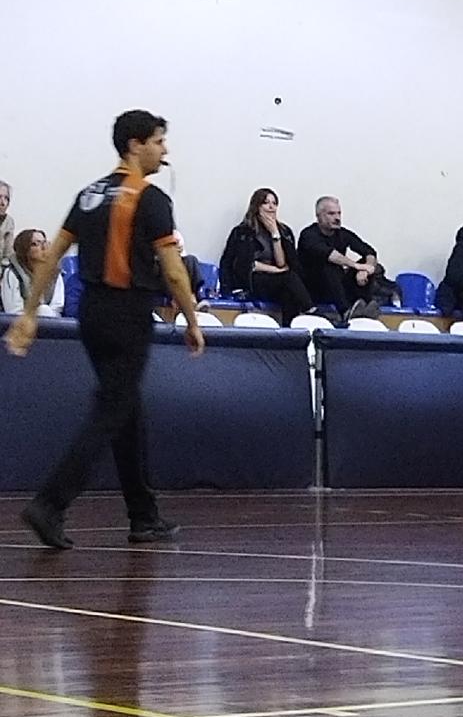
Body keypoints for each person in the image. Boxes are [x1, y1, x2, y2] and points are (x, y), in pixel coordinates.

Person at [5, 109, 203, 549]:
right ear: (135, 145)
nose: (165, 150)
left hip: (92, 313)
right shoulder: (150, 199)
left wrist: (30, 313)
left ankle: (143, 516)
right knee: (111, 411)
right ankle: (50, 504)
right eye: (158, 141)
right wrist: (191, 320)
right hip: (128, 312)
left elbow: (52, 255)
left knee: (126, 408)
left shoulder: (90, 194)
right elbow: (174, 270)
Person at [219, 187, 317, 321]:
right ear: (257, 207)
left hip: (277, 280)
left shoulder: (284, 232)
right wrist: (277, 270)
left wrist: (275, 234)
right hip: (253, 281)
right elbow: (248, 265)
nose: (271, 207)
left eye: (274, 203)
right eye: (266, 203)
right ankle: (311, 311)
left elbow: (282, 263)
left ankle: (290, 328)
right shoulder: (243, 232)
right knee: (289, 279)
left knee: (288, 294)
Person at [298, 195, 394, 321]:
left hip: (337, 286)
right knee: (331, 266)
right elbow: (330, 255)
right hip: (313, 288)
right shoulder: (308, 235)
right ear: (319, 216)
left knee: (372, 266)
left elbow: (369, 251)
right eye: (331, 214)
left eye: (339, 213)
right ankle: (345, 311)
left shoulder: (342, 233)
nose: (337, 218)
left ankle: (363, 306)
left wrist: (365, 270)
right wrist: (357, 266)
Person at [2, 229, 66, 314]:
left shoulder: (55, 273)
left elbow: (57, 308)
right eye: (35, 244)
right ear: (25, 250)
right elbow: (13, 311)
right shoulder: (12, 273)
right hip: (20, 320)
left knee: (44, 310)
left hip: (51, 319)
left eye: (44, 243)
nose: (43, 248)